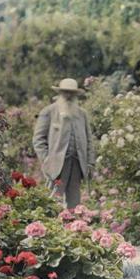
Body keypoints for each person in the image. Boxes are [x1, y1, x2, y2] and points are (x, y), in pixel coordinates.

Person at [32, 78, 95, 209]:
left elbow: (89, 141)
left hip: (77, 164)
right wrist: (47, 159)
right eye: (65, 92)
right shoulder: (48, 112)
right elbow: (38, 140)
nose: (68, 95)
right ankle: (52, 229)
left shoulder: (82, 114)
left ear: (76, 94)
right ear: (60, 93)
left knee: (75, 204)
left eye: (72, 93)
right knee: (53, 203)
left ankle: (74, 228)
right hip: (56, 166)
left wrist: (90, 162)